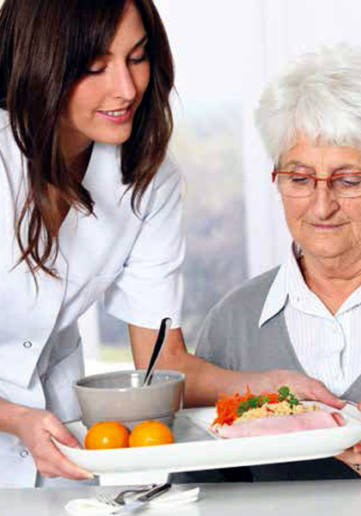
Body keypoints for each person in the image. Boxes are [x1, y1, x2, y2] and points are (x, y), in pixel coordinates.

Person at [0, 0, 341, 488]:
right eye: (96, 66)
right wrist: (15, 419)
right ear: (38, 63)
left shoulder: (148, 179)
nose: (126, 88)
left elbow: (162, 363)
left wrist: (269, 386)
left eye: (137, 58)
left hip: (59, 445)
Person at [175, 44, 361, 484]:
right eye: (298, 178)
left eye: (348, 180)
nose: (320, 206)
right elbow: (198, 492)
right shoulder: (233, 322)